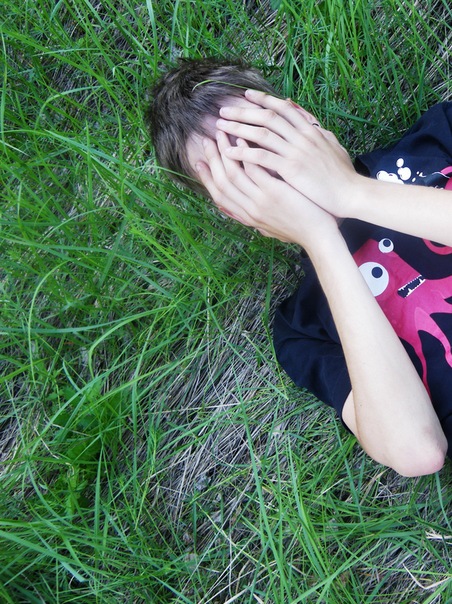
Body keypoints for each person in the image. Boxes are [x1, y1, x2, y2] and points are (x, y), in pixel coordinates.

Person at [148, 57, 452, 477]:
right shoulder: (302, 329)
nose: (266, 171)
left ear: (300, 118)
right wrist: (321, 238)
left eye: (261, 138)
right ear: (232, 210)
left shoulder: (440, 135)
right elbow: (416, 451)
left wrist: (351, 193)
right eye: (238, 176)